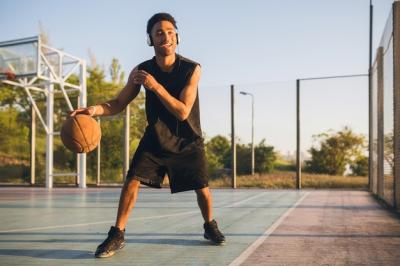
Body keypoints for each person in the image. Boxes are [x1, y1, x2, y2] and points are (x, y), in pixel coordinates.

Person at [69, 12, 226, 258]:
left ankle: (209, 226)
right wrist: (94, 110)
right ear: (150, 40)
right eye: (159, 32)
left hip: (187, 139)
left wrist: (155, 87)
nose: (166, 36)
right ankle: (117, 234)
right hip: (155, 137)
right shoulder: (142, 70)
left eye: (170, 31)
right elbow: (118, 102)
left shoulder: (192, 69)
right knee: (132, 180)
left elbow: (183, 112)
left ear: (177, 37)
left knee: (202, 188)